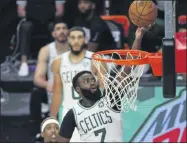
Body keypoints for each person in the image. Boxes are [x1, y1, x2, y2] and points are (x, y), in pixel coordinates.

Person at [57, 26, 150, 142]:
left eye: (92, 79)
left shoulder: (111, 99)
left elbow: (128, 67)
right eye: (86, 81)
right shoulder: (73, 114)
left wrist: (138, 38)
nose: (92, 82)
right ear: (78, 89)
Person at [50, 26, 106, 141]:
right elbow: (57, 93)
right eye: (73, 38)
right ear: (68, 40)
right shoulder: (58, 62)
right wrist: (52, 118)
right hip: (69, 112)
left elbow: (104, 88)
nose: (76, 41)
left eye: (79, 37)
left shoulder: (96, 59)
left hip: (91, 112)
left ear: (85, 40)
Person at [29, 18, 69, 134]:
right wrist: (47, 84)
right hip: (54, 91)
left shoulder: (77, 49)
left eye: (64, 28)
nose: (61, 31)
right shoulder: (46, 50)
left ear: (68, 32)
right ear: (53, 33)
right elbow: (37, 78)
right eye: (58, 29)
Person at [17, 0, 65, 77]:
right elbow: (20, 12)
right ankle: (24, 63)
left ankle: (56, 62)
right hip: (31, 20)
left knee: (54, 27)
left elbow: (60, 12)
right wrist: (37, 16)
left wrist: (47, 15)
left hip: (50, 19)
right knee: (25, 27)